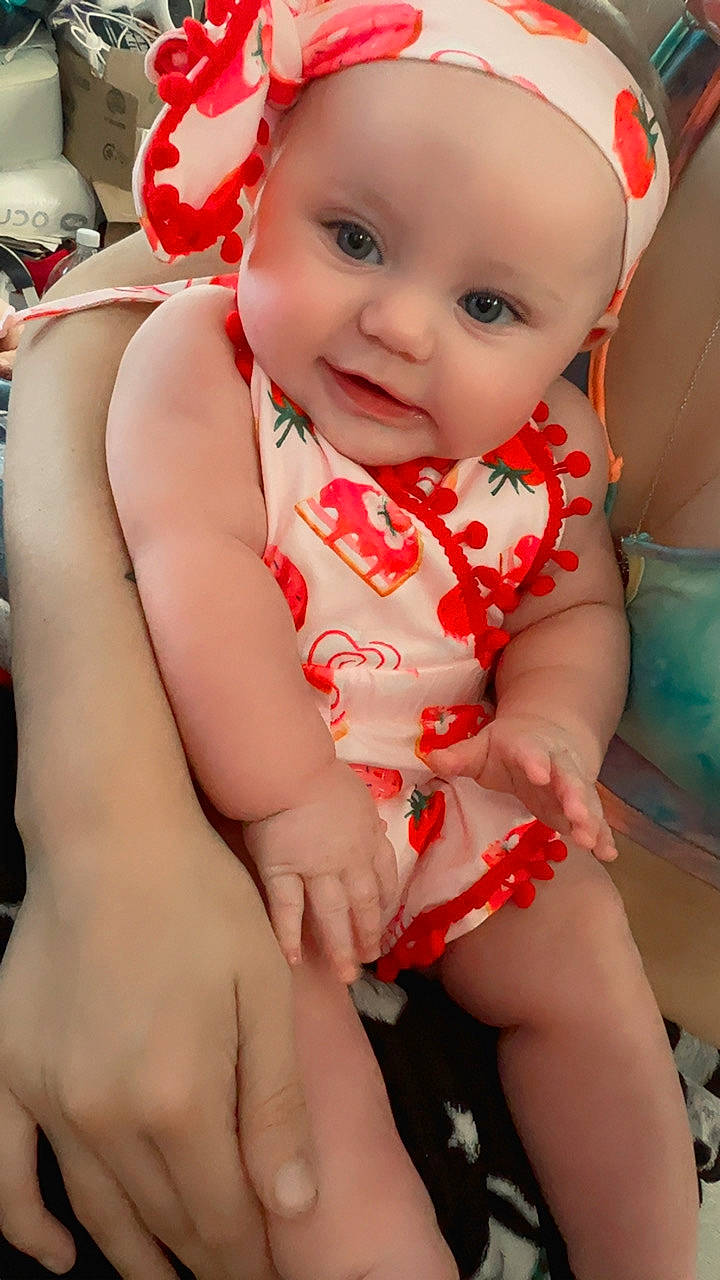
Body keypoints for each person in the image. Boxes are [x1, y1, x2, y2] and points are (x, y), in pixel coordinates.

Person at [0, 1, 699, 1278]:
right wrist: (287, 796)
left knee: (588, 961)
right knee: (291, 1078)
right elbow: (190, 561)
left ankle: (650, 1254)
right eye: (355, 237)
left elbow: (573, 608)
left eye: (490, 304)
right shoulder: (204, 360)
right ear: (265, 188)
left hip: (451, 786)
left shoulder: (545, 453)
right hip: (246, 812)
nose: (402, 323)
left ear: (575, 339)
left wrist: (551, 719)